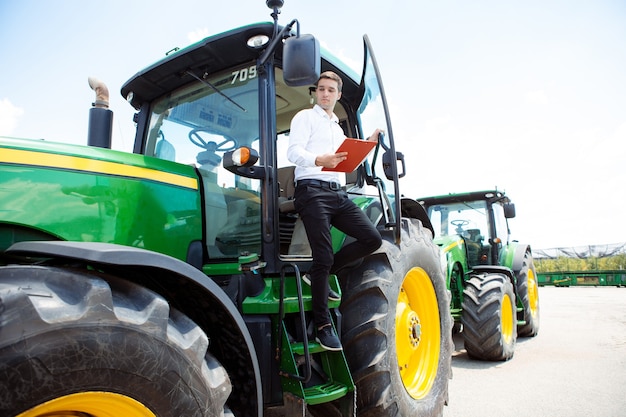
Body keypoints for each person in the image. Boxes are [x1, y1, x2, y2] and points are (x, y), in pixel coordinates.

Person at [287, 71, 383, 351]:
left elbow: (345, 165)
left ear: (338, 95)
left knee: (372, 239)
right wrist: (320, 159)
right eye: (321, 89)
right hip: (311, 189)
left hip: (336, 192)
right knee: (324, 254)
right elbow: (293, 153)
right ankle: (322, 326)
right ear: (316, 93)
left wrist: (367, 144)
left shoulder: (338, 129)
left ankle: (322, 273)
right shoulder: (304, 118)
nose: (326, 94)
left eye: (331, 90)